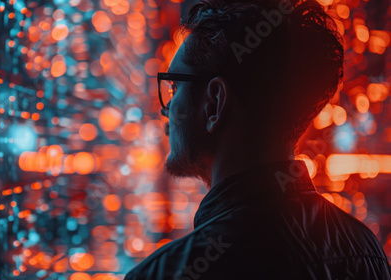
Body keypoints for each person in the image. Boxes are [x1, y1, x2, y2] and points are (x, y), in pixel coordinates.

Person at [124, 0, 391, 279]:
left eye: (175, 86)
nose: (165, 110)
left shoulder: (168, 273)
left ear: (214, 103)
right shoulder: (365, 251)